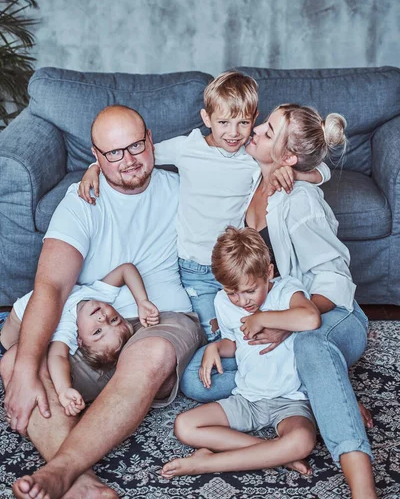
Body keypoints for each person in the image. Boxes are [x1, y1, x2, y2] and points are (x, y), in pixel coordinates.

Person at [1, 105, 206, 499]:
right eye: (113, 153)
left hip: (158, 318)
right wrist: (26, 369)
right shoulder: (81, 202)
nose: (128, 160)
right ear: (96, 156)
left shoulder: (185, 185)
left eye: (134, 147)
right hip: (88, 333)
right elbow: (51, 286)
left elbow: (240, 161)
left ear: (151, 141)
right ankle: (86, 488)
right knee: (14, 362)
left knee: (151, 352)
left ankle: (61, 471)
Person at [182, 104, 376, 499]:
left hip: (331, 315)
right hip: (275, 317)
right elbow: (189, 155)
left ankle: (361, 486)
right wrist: (97, 166)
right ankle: (323, 393)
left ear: (287, 155)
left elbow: (337, 283)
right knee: (195, 382)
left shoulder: (300, 202)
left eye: (267, 132)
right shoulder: (254, 173)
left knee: (310, 345)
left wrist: (281, 320)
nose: (254, 131)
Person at [79, 71, 329, 342]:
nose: (233, 133)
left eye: (243, 122)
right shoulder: (187, 148)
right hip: (194, 267)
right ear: (206, 118)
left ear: (254, 118)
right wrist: (95, 167)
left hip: (236, 265)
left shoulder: (251, 154)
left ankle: (257, 371)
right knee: (213, 334)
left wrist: (298, 173)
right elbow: (138, 155)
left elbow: (319, 166)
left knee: (247, 331)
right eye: (223, 122)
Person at [161, 226, 320, 479]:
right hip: (247, 398)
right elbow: (233, 343)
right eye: (232, 292)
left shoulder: (285, 290)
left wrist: (264, 318)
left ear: (268, 272)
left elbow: (311, 318)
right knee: (185, 425)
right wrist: (214, 347)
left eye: (249, 291)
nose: (242, 301)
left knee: (301, 441)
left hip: (289, 401)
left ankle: (205, 463)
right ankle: (276, 454)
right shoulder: (223, 303)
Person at [1, 262, 159, 416]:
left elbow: (58, 357)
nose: (102, 318)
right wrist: (142, 301)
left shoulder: (68, 325)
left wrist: (64, 389)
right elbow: (126, 269)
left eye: (97, 331)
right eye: (114, 320)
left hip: (8, 340)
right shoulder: (99, 294)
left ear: (79, 340)